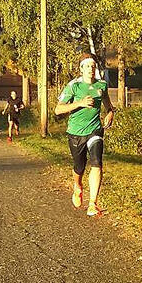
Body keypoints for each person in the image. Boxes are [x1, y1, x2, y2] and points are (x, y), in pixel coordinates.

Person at [55, 53, 115, 217]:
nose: (91, 69)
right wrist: (80, 103)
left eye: (93, 66)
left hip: (95, 130)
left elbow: (108, 105)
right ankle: (77, 186)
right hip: (75, 132)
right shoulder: (73, 86)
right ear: (81, 69)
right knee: (79, 167)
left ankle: (93, 204)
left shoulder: (101, 85)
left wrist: (110, 112)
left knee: (97, 162)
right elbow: (58, 109)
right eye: (87, 66)